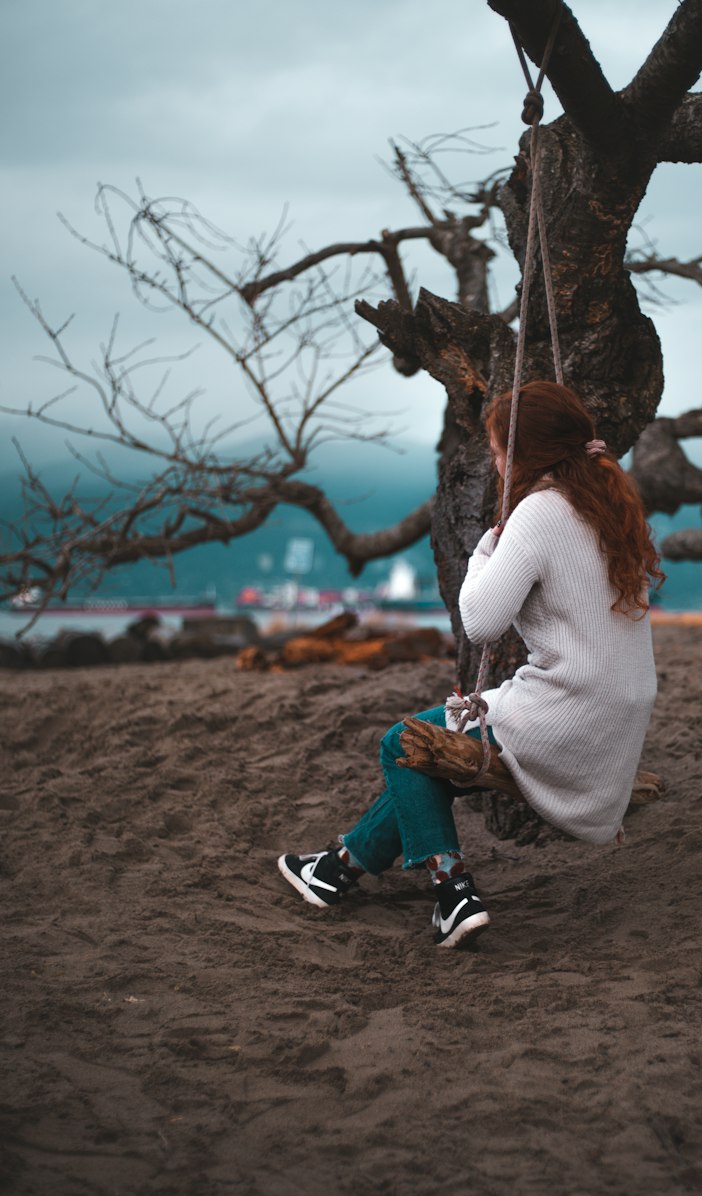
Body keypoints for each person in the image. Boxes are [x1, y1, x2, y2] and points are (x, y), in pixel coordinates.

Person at [278, 380, 662, 948]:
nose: (498, 462)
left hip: (569, 710)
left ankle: (453, 893)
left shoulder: (539, 512)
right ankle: (336, 870)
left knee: (401, 745)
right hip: (616, 713)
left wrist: (485, 550)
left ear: (526, 453)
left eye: (501, 450)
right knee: (432, 754)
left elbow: (481, 623)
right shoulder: (605, 505)